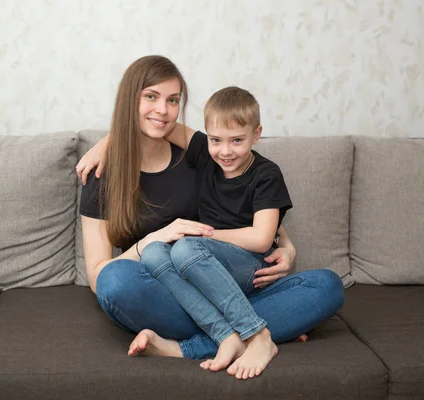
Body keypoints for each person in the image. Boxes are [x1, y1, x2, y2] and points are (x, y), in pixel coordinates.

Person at [77, 55, 344, 380]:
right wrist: (151, 239)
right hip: (168, 287)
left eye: (172, 100)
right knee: (114, 282)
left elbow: (245, 199)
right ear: (130, 99)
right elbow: (95, 276)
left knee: (327, 286)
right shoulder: (101, 175)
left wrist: (286, 244)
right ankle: (260, 331)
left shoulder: (199, 154)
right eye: (151, 96)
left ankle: (199, 344)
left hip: (232, 278)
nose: (162, 109)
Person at [137, 86, 294, 379]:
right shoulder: (204, 154)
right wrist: (102, 146)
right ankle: (226, 336)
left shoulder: (266, 174)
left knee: (184, 248)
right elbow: (160, 124)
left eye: (237, 140)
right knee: (153, 251)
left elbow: (261, 240)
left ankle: (256, 335)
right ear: (206, 135)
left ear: (256, 135)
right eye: (215, 140)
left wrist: (203, 236)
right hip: (204, 261)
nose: (225, 151)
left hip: (249, 265)